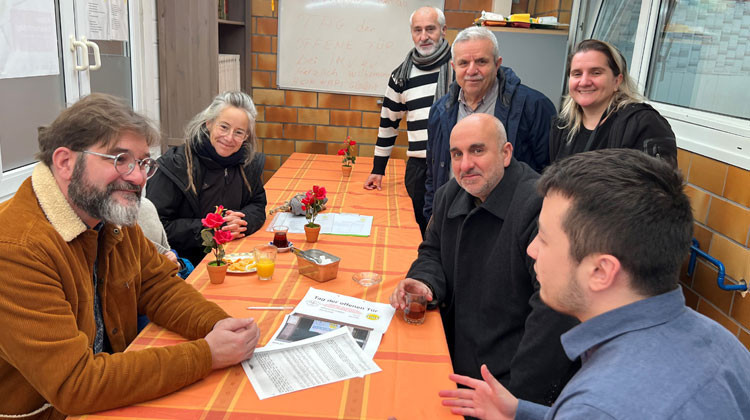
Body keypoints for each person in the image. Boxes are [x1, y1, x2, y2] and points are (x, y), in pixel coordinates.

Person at [0, 93, 261, 419]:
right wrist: (207, 354)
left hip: (112, 393)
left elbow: (158, 287)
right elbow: (75, 384)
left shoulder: (107, 216)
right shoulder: (16, 250)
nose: (137, 177)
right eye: (119, 159)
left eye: (143, 163)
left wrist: (219, 325)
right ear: (65, 162)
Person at [439, 149, 750, 419]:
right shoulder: (724, 343)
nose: (531, 250)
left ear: (601, 271)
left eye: (544, 238)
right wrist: (521, 413)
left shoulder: (599, 403)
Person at [391, 114, 578, 406]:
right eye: (457, 154)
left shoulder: (538, 206)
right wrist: (424, 280)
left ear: (506, 153)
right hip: (454, 355)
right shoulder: (448, 195)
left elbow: (554, 311)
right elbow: (432, 251)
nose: (465, 165)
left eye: (477, 150)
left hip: (504, 380)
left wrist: (518, 399)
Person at [424, 26, 556, 221]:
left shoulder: (534, 106)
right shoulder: (439, 111)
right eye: (463, 63)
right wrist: (433, 215)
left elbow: (550, 174)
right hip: (452, 219)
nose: (471, 70)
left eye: (481, 61)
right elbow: (433, 171)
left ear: (497, 64)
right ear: (453, 67)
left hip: (510, 222)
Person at [147, 91, 267, 266]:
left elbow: (257, 203)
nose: (229, 138)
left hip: (236, 257)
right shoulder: (175, 165)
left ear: (246, 136)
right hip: (186, 265)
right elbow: (157, 228)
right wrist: (210, 230)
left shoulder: (248, 163)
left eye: (238, 132)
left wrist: (244, 221)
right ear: (209, 123)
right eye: (224, 127)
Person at [363, 6, 452, 236]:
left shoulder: (460, 68)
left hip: (454, 165)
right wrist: (378, 169)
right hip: (419, 169)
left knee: (451, 231)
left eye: (430, 29)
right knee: (419, 233)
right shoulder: (401, 76)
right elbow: (388, 124)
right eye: (417, 30)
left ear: (443, 30)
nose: (424, 36)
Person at [550, 39, 677, 165]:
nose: (584, 82)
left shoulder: (644, 124)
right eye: (577, 74)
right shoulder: (562, 125)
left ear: (617, 81)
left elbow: (658, 177)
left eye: (596, 73)